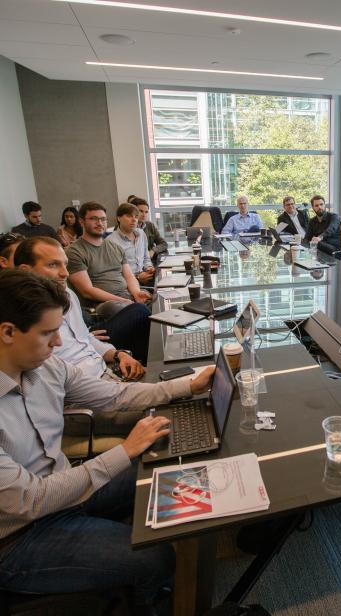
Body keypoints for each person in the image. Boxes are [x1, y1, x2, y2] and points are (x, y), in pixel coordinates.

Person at [0, 269, 216, 613]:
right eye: (48, 333)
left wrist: (187, 386)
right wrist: (125, 450)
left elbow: (115, 397)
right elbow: (30, 499)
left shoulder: (47, 367)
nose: (58, 343)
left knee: (166, 469)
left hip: (63, 490)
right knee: (155, 558)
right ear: (8, 332)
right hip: (19, 538)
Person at [14, 236, 146, 384]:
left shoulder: (67, 294)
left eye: (65, 265)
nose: (65, 273)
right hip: (86, 388)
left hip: (105, 372)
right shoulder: (20, 317)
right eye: (53, 265)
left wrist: (118, 354)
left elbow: (84, 339)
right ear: (26, 271)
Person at [66, 202, 151, 363]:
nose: (100, 223)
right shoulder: (75, 251)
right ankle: (146, 361)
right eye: (94, 219)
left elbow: (129, 277)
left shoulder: (114, 247)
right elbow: (87, 290)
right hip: (102, 310)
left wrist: (136, 293)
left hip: (127, 302)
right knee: (140, 311)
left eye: (103, 219)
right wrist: (125, 300)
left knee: (160, 304)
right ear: (82, 221)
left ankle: (147, 360)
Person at [107, 203, 155, 285]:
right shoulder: (110, 241)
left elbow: (146, 259)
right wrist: (138, 278)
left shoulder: (141, 233)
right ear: (119, 218)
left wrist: (149, 269)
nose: (134, 220)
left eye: (136, 216)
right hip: (128, 284)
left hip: (145, 277)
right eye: (129, 216)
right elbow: (113, 274)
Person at [128, 195, 168, 262]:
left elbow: (164, 244)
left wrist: (153, 250)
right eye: (141, 211)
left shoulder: (149, 225)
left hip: (149, 262)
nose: (144, 215)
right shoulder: (127, 227)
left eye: (146, 212)